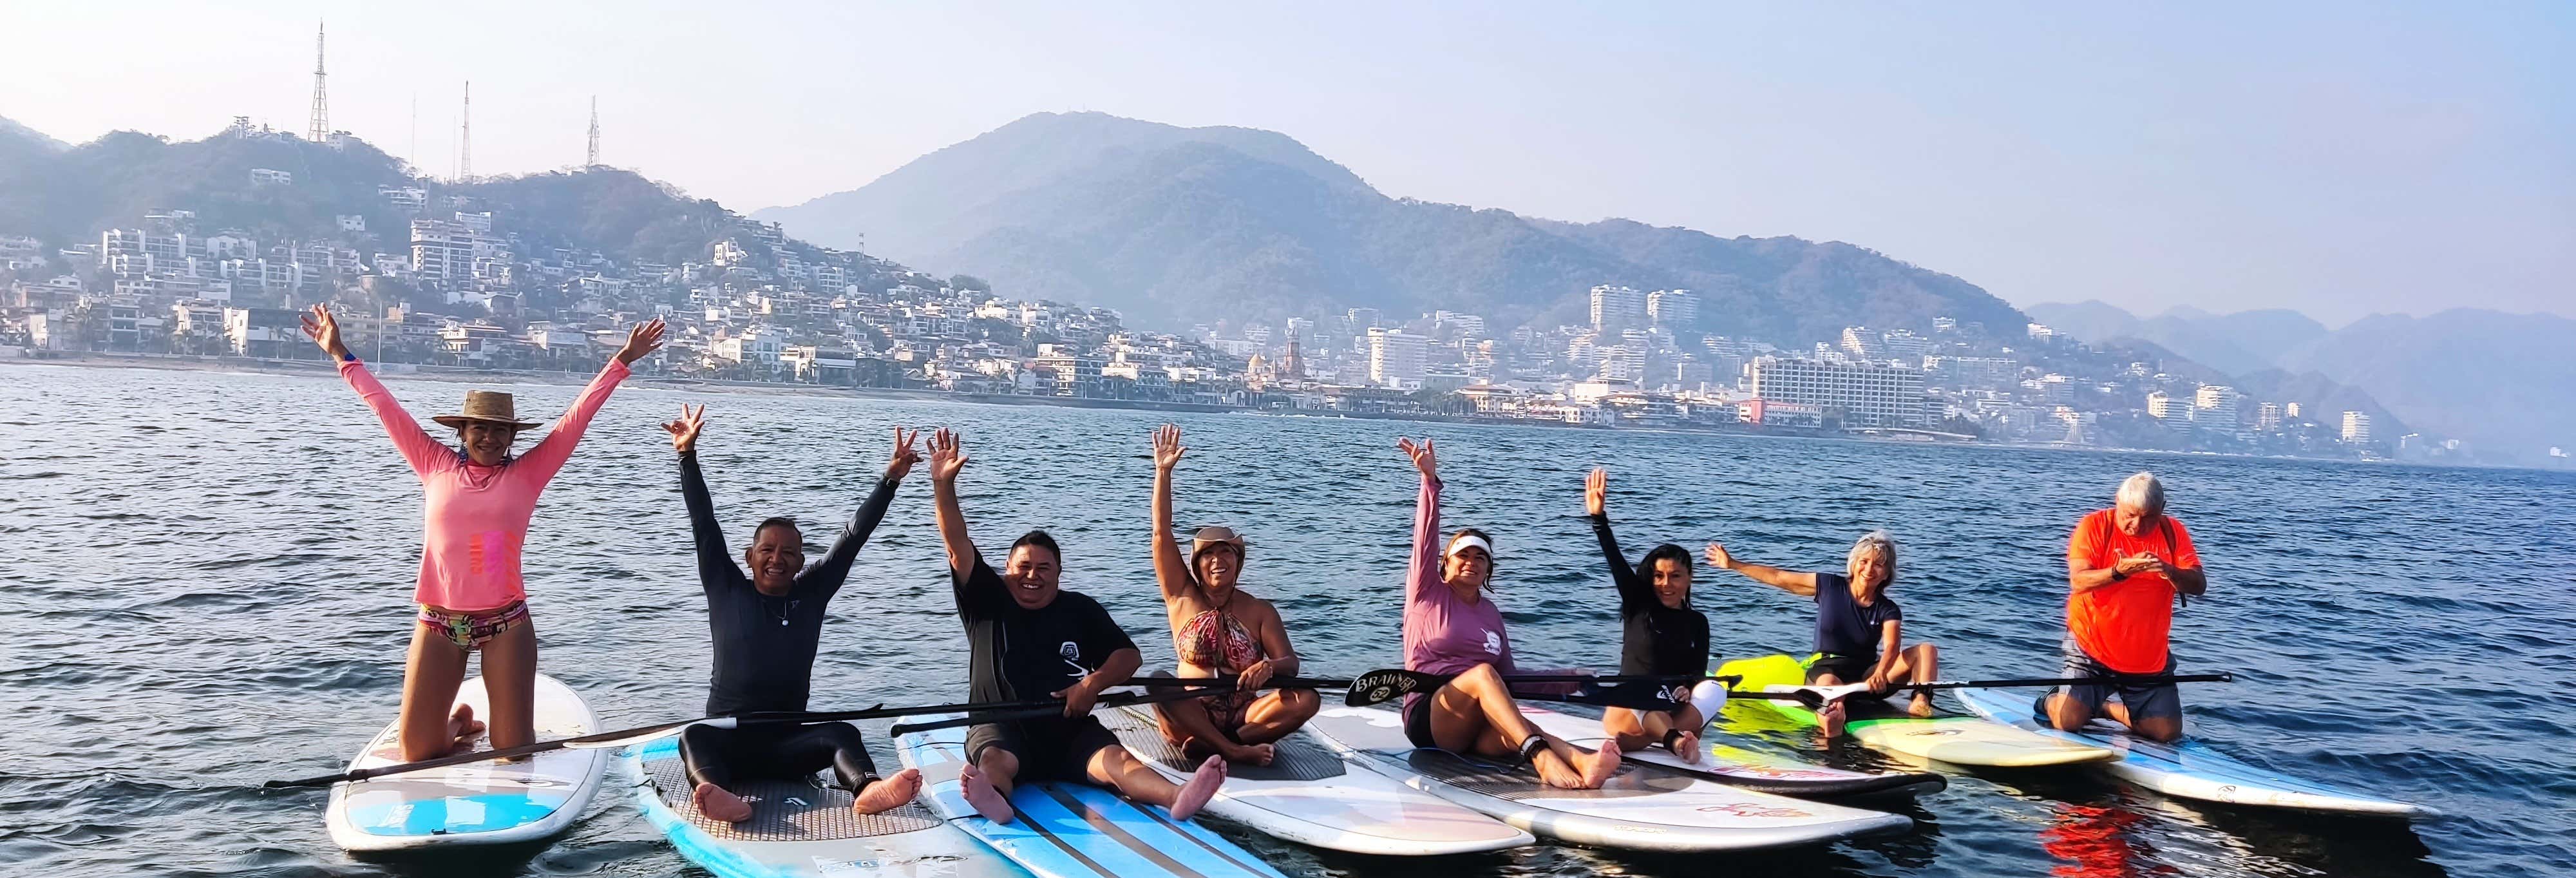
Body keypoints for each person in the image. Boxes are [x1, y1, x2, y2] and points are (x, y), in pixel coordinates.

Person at [301, 303, 663, 761]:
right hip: (438, 622)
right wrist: (340, 354)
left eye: (499, 431)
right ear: (463, 431)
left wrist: (622, 360)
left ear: (511, 437)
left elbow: (576, 419)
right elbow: (384, 407)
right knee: (416, 752)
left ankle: (491, 725)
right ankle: (459, 722)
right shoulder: (432, 462)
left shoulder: (528, 475)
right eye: (480, 429)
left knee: (514, 750)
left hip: (505, 624)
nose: (489, 438)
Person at [925, 428, 1227, 824]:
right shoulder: (986, 598)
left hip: (1067, 730)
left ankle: (1177, 796)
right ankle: (995, 798)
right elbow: (956, 542)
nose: (1032, 576)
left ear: (1059, 574)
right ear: (1007, 570)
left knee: (1117, 760)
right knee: (996, 760)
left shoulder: (1079, 609)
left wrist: (1092, 684)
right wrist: (943, 485)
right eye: (1023, 567)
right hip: (1002, 727)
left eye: (1043, 569)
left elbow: (1128, 656)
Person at [662, 404, 926, 821]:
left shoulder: (813, 592)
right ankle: (716, 792)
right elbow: (704, 522)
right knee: (693, 735)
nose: (777, 559)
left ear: (802, 559)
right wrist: (686, 456)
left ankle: (868, 788)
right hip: (729, 742)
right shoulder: (725, 586)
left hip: (790, 746)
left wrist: (890, 480)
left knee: (843, 732)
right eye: (767, 550)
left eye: (788, 552)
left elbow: (852, 536)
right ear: (749, 557)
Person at [1394, 437, 1621, 790]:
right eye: (1463, 556)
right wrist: (1430, 483)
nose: (1471, 562)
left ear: (1489, 570)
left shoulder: (1490, 614)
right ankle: (1542, 759)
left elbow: (1510, 679)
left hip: (1475, 725)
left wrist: (1571, 677)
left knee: (1520, 724)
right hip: (1431, 718)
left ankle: (1584, 762)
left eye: (1480, 558)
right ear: (1446, 563)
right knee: (1483, 675)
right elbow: (1424, 537)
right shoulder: (1427, 593)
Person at [1142, 425, 1320, 765]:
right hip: (1188, 718)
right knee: (1159, 682)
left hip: (1245, 716)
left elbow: (1291, 664)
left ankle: (1225, 744)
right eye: (1208, 555)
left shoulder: (1260, 610)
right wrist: (1163, 473)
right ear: (1196, 565)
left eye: (1226, 554)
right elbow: (1161, 532)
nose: (1217, 561)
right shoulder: (1181, 596)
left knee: (1306, 699)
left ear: (1238, 563)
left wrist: (1270, 667)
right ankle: (1231, 750)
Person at [1705, 530, 1938, 739]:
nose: (1869, 570)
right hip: (1827, 669)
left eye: (1878, 565)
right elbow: (1779, 578)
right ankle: (1830, 745)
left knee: (1926, 650)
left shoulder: (1888, 608)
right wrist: (1734, 564)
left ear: (1887, 572)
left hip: (1867, 678)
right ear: (1854, 563)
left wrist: (1880, 673)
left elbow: (1892, 646)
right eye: (1864, 562)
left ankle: (1920, 702)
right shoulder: (1830, 587)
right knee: (1831, 690)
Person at [2046, 472, 2206, 743]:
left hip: (2147, 655)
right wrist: (2120, 571)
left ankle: (2104, 707)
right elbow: (2079, 580)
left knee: (2166, 734)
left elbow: (2199, 585)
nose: (2137, 525)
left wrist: (2169, 570)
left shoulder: (2173, 532)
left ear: (2162, 510)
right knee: (2067, 722)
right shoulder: (2096, 525)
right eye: (2130, 515)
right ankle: (2054, 700)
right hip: (2091, 646)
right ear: (2117, 502)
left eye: (2148, 518)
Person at [1583, 468, 1729, 763]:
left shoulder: (1698, 622)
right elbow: (1615, 560)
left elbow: (1697, 673)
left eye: (1675, 576)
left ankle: (1644, 742)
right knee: (1646, 690)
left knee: (1715, 689)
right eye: (1659, 576)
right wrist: (1599, 519)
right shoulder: (1638, 604)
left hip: (1670, 707)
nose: (1666, 584)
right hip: (1629, 708)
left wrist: (1688, 689)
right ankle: (1675, 741)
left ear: (1690, 579)